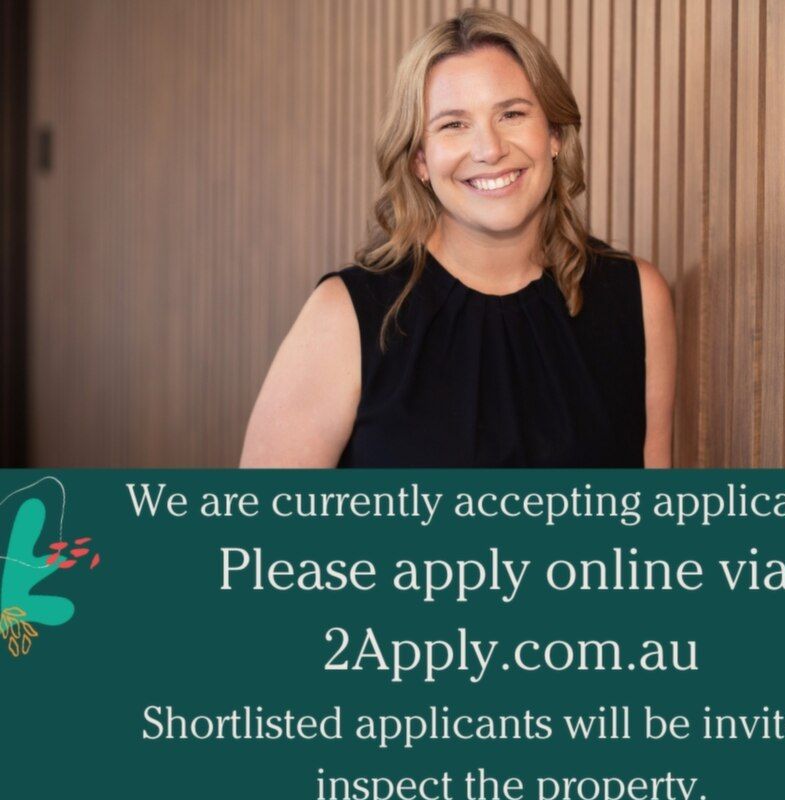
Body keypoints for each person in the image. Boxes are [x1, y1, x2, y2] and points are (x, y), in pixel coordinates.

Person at [239, 8, 676, 468]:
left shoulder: (637, 298)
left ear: (554, 134)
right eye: (453, 124)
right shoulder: (345, 315)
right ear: (419, 160)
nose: (490, 149)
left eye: (511, 114)